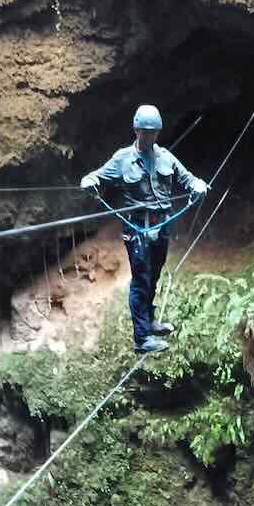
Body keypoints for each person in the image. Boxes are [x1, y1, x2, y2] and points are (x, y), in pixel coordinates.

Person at [81, 104, 209, 352]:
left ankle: (149, 321)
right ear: (136, 130)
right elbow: (97, 176)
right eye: (144, 132)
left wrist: (198, 185)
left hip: (162, 225)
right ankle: (141, 338)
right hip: (136, 226)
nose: (149, 136)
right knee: (141, 278)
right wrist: (89, 181)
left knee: (155, 273)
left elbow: (187, 178)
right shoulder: (122, 159)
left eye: (153, 132)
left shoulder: (165, 157)